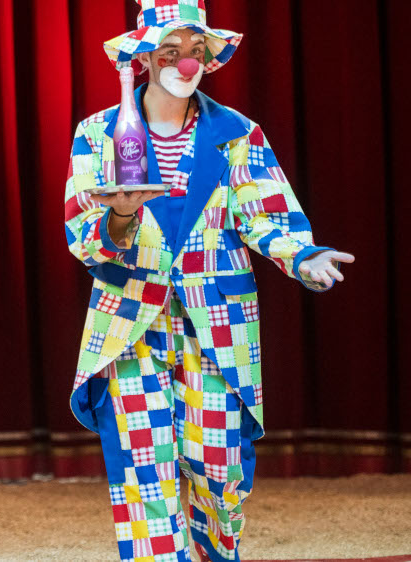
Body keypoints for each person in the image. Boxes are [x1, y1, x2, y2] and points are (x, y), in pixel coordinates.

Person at [63, 2, 355, 561]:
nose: (187, 63)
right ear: (145, 58)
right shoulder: (98, 133)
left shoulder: (236, 133)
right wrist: (119, 216)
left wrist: (302, 256)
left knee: (218, 466)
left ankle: (216, 552)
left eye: (196, 51)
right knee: (144, 473)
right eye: (172, 51)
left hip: (217, 322)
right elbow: (81, 232)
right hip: (130, 321)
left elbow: (264, 216)